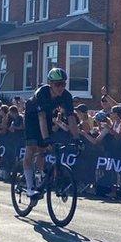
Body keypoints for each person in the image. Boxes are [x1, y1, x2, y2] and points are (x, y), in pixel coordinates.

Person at [23, 68, 78, 196]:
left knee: (42, 149)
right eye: (58, 84)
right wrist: (46, 138)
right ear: (50, 84)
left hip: (47, 116)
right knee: (31, 148)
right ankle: (30, 188)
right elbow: (40, 118)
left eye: (63, 84)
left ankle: (40, 174)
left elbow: (71, 118)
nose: (61, 87)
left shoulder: (66, 96)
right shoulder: (42, 93)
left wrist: (76, 138)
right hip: (32, 116)